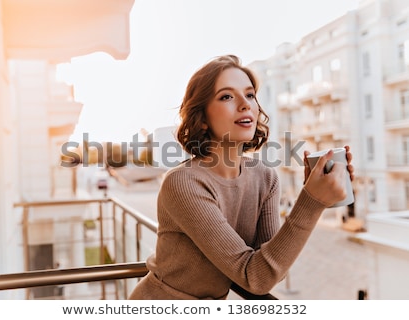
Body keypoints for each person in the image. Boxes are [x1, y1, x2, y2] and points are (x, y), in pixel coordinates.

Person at [128, 55, 354, 300]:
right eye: (227, 96)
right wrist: (312, 201)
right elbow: (255, 277)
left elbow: (268, 270)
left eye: (250, 95)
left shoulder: (265, 177)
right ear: (202, 119)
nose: (245, 104)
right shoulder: (182, 183)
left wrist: (316, 193)